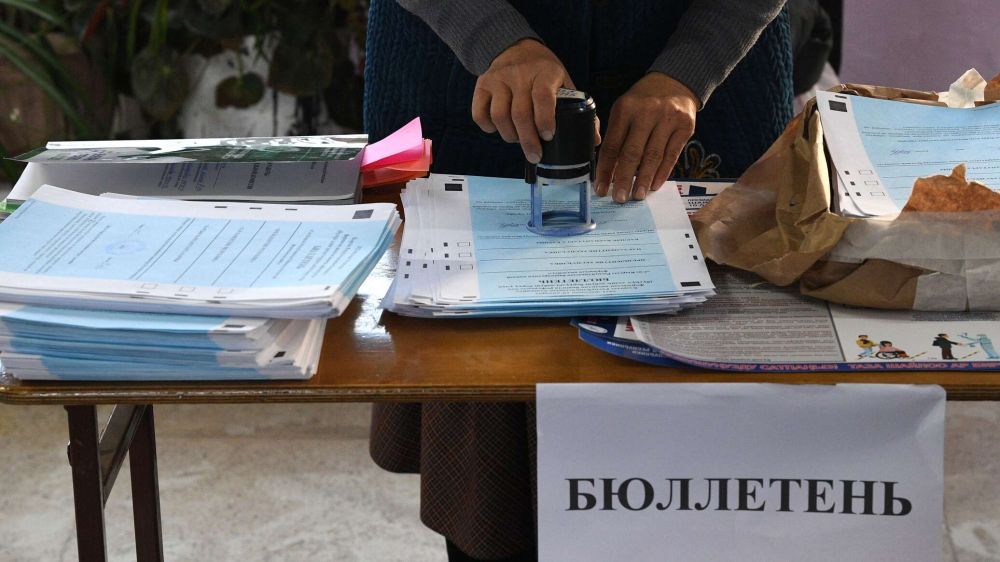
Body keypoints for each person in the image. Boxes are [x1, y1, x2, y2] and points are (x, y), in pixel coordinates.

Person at [364, 2, 794, 560]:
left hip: (707, 62)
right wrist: (493, 37)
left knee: (710, 462)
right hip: (470, 67)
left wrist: (690, 69)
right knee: (493, 460)